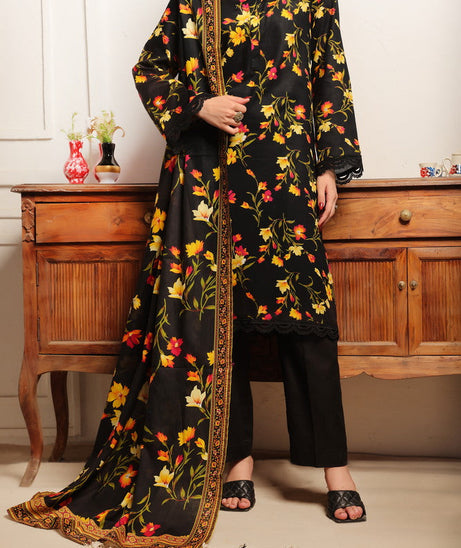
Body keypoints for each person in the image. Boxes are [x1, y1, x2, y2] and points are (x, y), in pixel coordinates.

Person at [8, 0, 365, 546]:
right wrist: (199, 104)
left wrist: (328, 167)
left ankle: (335, 470)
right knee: (222, 322)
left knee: (307, 320)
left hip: (286, 170)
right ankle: (237, 461)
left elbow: (329, 73)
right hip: (211, 175)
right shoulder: (195, 1)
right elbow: (150, 67)